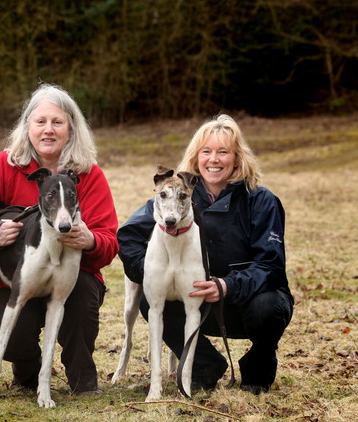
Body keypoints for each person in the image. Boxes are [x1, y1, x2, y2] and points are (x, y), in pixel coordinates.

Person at [0, 83, 119, 395]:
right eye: (40, 121)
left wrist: (91, 240)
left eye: (57, 122)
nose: (48, 130)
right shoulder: (5, 165)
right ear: (27, 126)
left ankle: (83, 380)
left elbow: (110, 242)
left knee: (80, 300)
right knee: (10, 335)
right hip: (14, 277)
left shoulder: (88, 173)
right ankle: (26, 374)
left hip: (73, 275)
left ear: (71, 127)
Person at [118, 114, 293, 394]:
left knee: (269, 307)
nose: (214, 159)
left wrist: (227, 286)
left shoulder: (261, 201)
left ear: (237, 158)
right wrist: (148, 274)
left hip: (246, 303)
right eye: (207, 151)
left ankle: (256, 373)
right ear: (196, 157)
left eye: (223, 152)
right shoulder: (180, 196)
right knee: (150, 304)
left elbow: (270, 266)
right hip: (198, 303)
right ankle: (204, 366)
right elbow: (128, 235)